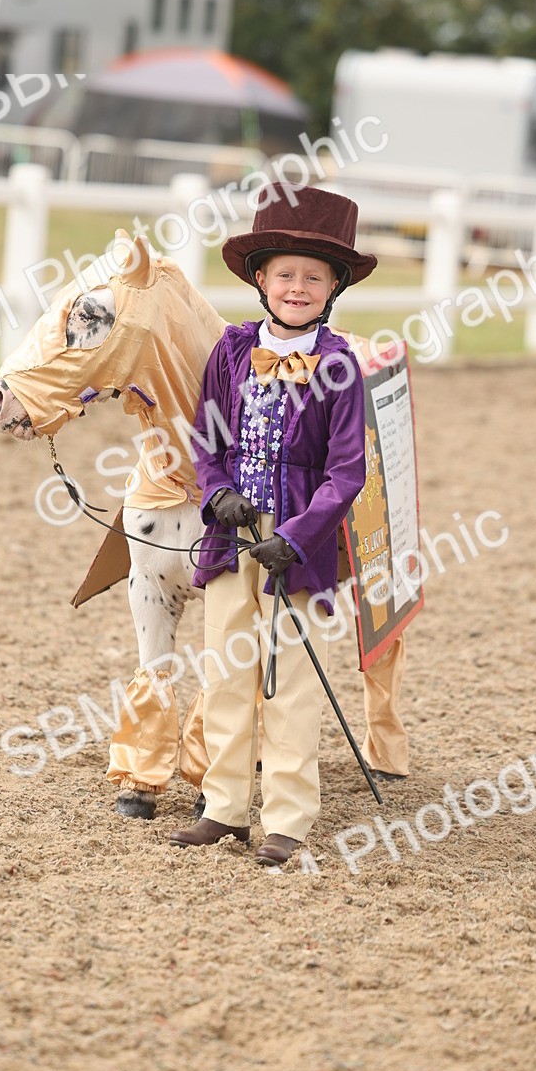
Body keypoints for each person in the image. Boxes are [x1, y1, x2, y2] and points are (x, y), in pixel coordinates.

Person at [169, 182, 376, 866]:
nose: (297, 286)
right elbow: (207, 438)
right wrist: (218, 492)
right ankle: (224, 807)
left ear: (334, 286)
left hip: (299, 550)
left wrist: (296, 537)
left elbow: (346, 472)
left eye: (313, 277)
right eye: (284, 273)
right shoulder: (230, 352)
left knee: (289, 681)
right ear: (260, 279)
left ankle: (287, 817)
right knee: (226, 672)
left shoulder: (340, 367)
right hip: (231, 541)